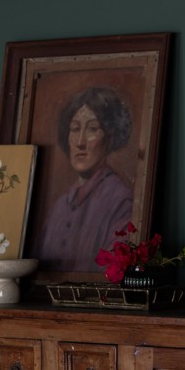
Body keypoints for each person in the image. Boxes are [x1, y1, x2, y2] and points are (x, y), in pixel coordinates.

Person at [36, 86, 133, 272]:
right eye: (74, 129)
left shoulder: (120, 201)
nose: (80, 142)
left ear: (109, 137)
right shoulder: (60, 206)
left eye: (92, 129)